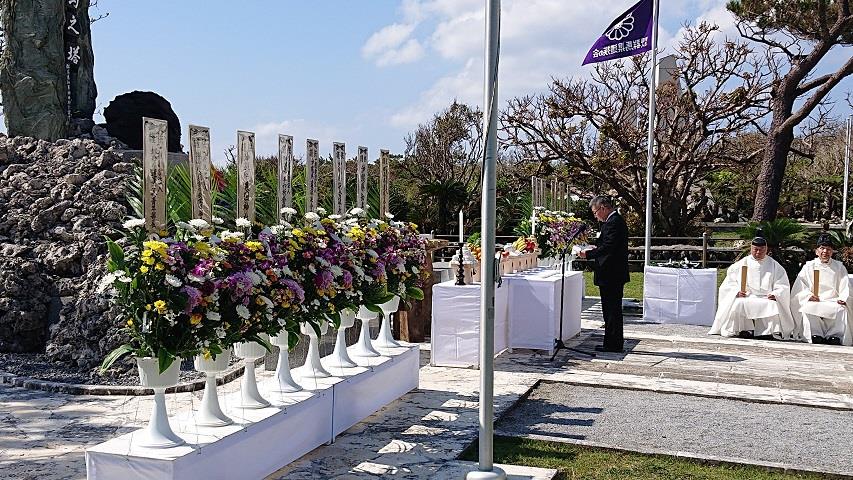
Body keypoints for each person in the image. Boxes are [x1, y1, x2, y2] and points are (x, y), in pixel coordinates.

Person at [710, 232, 795, 340]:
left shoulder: (774, 266)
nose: (758, 252)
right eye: (755, 249)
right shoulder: (741, 264)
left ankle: (767, 331)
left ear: (766, 249)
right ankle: (744, 329)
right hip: (747, 295)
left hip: (766, 296)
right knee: (739, 303)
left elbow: (782, 284)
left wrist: (775, 294)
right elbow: (728, 284)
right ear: (751, 249)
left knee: (771, 305)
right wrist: (736, 292)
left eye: (761, 250)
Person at [578, 195, 629, 352]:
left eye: (595, 212)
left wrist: (588, 255)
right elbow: (605, 244)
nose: (595, 216)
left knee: (612, 309)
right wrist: (594, 247)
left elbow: (609, 247)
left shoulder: (614, 222)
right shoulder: (611, 222)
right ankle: (611, 342)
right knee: (609, 310)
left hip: (611, 273)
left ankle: (613, 344)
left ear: (603, 208)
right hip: (610, 273)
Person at [790, 234, 852, 345]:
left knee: (841, 309)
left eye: (828, 249)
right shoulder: (809, 266)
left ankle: (835, 335)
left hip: (833, 300)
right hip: (815, 299)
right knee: (808, 307)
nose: (825, 251)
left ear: (832, 252)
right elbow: (800, 286)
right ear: (816, 251)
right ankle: (815, 334)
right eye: (822, 248)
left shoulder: (839, 267)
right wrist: (809, 296)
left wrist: (843, 298)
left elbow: (845, 285)